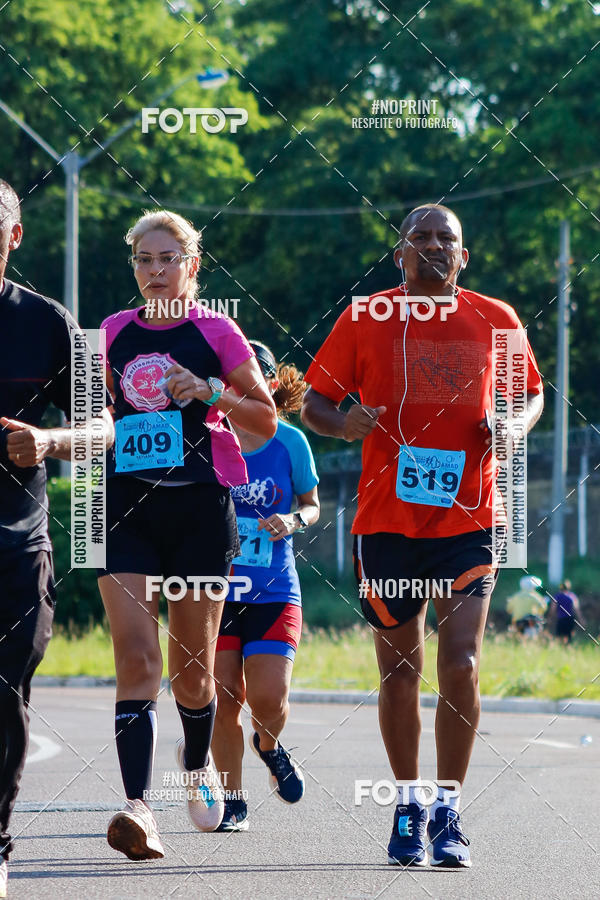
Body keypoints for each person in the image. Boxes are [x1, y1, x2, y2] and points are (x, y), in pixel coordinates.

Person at [301, 203, 544, 868]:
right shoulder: (365, 317)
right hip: (386, 522)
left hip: (470, 518)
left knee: (460, 662)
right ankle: (406, 803)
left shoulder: (498, 319)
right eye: (422, 237)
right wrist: (342, 423)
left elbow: (530, 393)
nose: (435, 246)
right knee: (400, 669)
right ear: (399, 252)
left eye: (448, 239)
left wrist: (515, 427)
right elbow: (313, 401)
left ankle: (448, 810)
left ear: (463, 257)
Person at [98, 210, 277, 860]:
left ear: (191, 266)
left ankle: (197, 765)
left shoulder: (217, 331)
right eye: (144, 259)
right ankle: (138, 808)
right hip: (125, 514)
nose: (154, 270)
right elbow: (93, 419)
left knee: (192, 676)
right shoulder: (112, 334)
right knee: (138, 660)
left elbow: (266, 421)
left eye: (167, 258)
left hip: (201, 513)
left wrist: (209, 392)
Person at [0, 179, 114, 898]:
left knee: (3, 695)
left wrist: (47, 439)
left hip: (13, 546)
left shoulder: (46, 322)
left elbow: (102, 429)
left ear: (13, 237)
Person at [211, 341, 320, 831]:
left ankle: (269, 745)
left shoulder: (292, 442)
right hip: (214, 592)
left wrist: (293, 520)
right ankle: (233, 801)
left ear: (270, 386)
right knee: (224, 697)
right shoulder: (207, 436)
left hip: (274, 589)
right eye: (231, 380)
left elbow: (312, 505)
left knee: (269, 700)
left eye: (252, 380)